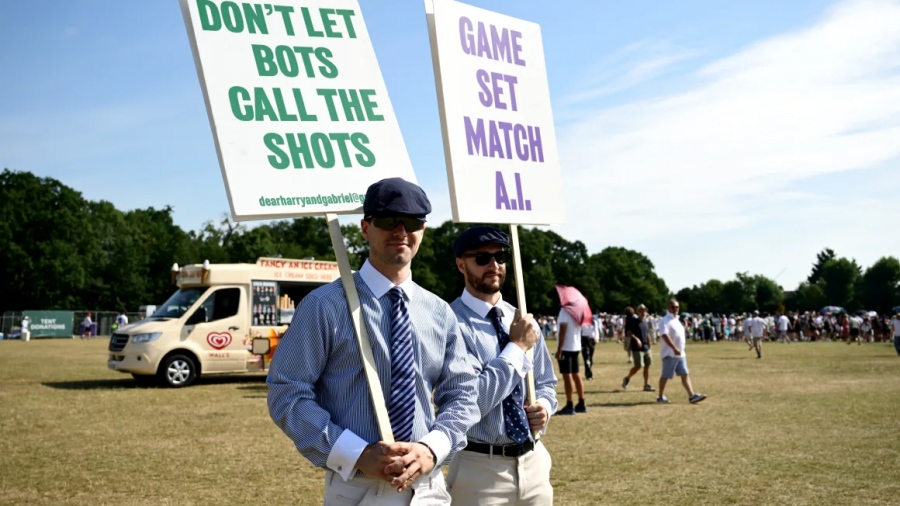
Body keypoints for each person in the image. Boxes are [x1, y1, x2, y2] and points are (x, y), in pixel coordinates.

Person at [267, 178, 480, 504]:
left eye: (411, 222)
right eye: (387, 221)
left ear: (423, 229)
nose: (400, 231)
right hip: (357, 486)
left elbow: (463, 394)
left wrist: (431, 448)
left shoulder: (439, 312)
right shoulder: (326, 305)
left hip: (428, 487)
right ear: (365, 228)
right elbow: (288, 392)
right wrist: (354, 453)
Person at [447, 226, 557, 505]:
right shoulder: (450, 322)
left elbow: (546, 382)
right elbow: (472, 401)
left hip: (534, 461)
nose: (494, 265)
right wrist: (517, 348)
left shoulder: (521, 317)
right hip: (479, 467)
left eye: (501, 256)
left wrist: (543, 407)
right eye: (482, 258)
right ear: (461, 264)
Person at [656, 299, 706, 404]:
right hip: (670, 354)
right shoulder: (664, 320)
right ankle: (660, 396)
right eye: (672, 307)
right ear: (668, 308)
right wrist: (674, 348)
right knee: (666, 376)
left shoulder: (677, 320)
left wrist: (680, 349)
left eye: (677, 307)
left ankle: (692, 396)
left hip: (680, 354)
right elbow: (665, 335)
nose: (675, 309)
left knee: (685, 374)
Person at [555, 301, 586, 415]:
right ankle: (581, 402)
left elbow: (563, 329)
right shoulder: (578, 312)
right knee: (576, 374)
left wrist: (559, 349)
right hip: (576, 346)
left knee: (567, 376)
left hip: (566, 347)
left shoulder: (564, 311)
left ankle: (570, 404)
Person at [622, 304, 654, 392]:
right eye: (641, 310)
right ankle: (627, 378)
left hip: (646, 348)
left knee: (647, 366)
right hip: (637, 348)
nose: (643, 312)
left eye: (644, 310)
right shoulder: (633, 321)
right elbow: (629, 333)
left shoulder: (645, 322)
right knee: (638, 366)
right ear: (637, 312)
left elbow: (646, 333)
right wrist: (637, 340)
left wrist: (649, 343)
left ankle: (646, 385)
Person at [580, 315, 600, 381]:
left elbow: (596, 330)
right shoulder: (581, 321)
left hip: (592, 340)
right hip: (584, 339)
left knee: (590, 357)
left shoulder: (594, 322)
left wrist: (596, 338)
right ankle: (589, 375)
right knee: (586, 357)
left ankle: (588, 370)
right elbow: (580, 331)